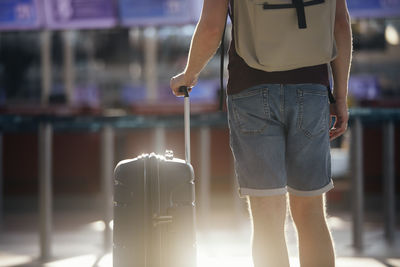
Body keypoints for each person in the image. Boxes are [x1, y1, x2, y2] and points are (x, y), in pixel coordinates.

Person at [171, 0, 352, 266]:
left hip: (251, 89)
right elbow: (340, 23)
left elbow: (211, 28)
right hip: (311, 88)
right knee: (311, 213)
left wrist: (189, 74)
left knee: (267, 217)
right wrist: (341, 96)